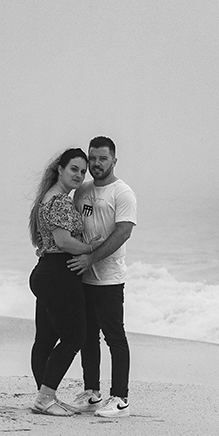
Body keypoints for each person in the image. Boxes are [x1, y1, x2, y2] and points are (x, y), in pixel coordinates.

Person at [27, 148, 105, 416]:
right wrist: (90, 248)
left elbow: (48, 241)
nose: (79, 175)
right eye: (74, 168)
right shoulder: (59, 201)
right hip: (59, 273)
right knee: (75, 337)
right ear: (59, 169)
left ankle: (45, 396)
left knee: (46, 339)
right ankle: (45, 397)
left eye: (82, 171)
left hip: (46, 270)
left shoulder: (45, 198)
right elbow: (62, 241)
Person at [66, 136, 138, 418]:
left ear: (114, 161)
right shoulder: (81, 191)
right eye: (92, 158)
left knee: (115, 337)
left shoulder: (123, 193)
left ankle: (120, 399)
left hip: (109, 278)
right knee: (87, 337)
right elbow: (73, 228)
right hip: (83, 277)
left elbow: (122, 233)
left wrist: (90, 258)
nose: (96, 164)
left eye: (102, 159)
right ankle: (92, 393)